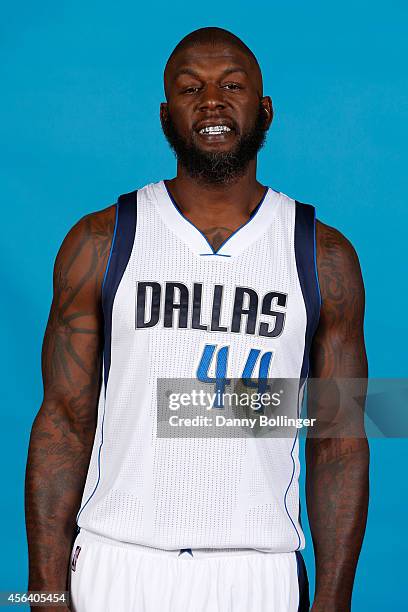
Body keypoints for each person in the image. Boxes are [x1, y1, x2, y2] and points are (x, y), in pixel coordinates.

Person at [25, 27, 369, 612]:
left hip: (258, 568)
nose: (211, 99)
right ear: (166, 115)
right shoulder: (100, 241)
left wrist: (334, 600)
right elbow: (62, 423)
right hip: (116, 559)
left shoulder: (323, 255)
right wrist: (43, 591)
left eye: (231, 85)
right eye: (191, 88)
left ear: (264, 110)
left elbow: (339, 439)